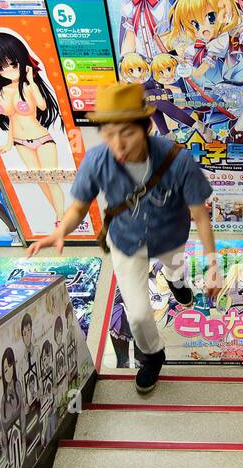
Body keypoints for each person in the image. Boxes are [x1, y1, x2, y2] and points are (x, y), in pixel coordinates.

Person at [28, 80, 220, 394]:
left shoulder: (177, 159)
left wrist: (213, 265)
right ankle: (153, 356)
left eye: (127, 133)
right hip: (126, 241)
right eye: (109, 133)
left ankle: (176, 280)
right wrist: (60, 231)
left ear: (145, 127)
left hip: (170, 234)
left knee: (174, 267)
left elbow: (200, 214)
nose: (118, 144)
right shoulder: (96, 161)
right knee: (140, 314)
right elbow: (78, 207)